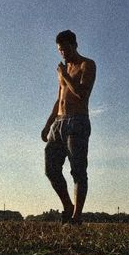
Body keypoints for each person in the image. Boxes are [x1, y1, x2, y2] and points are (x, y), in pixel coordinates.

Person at [41, 30, 96, 225]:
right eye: (60, 50)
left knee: (78, 171)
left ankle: (76, 217)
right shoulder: (62, 70)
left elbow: (82, 94)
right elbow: (60, 99)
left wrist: (65, 75)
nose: (63, 53)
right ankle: (68, 206)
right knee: (51, 169)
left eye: (66, 48)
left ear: (75, 45)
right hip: (59, 123)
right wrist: (48, 125)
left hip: (77, 121)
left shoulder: (86, 65)